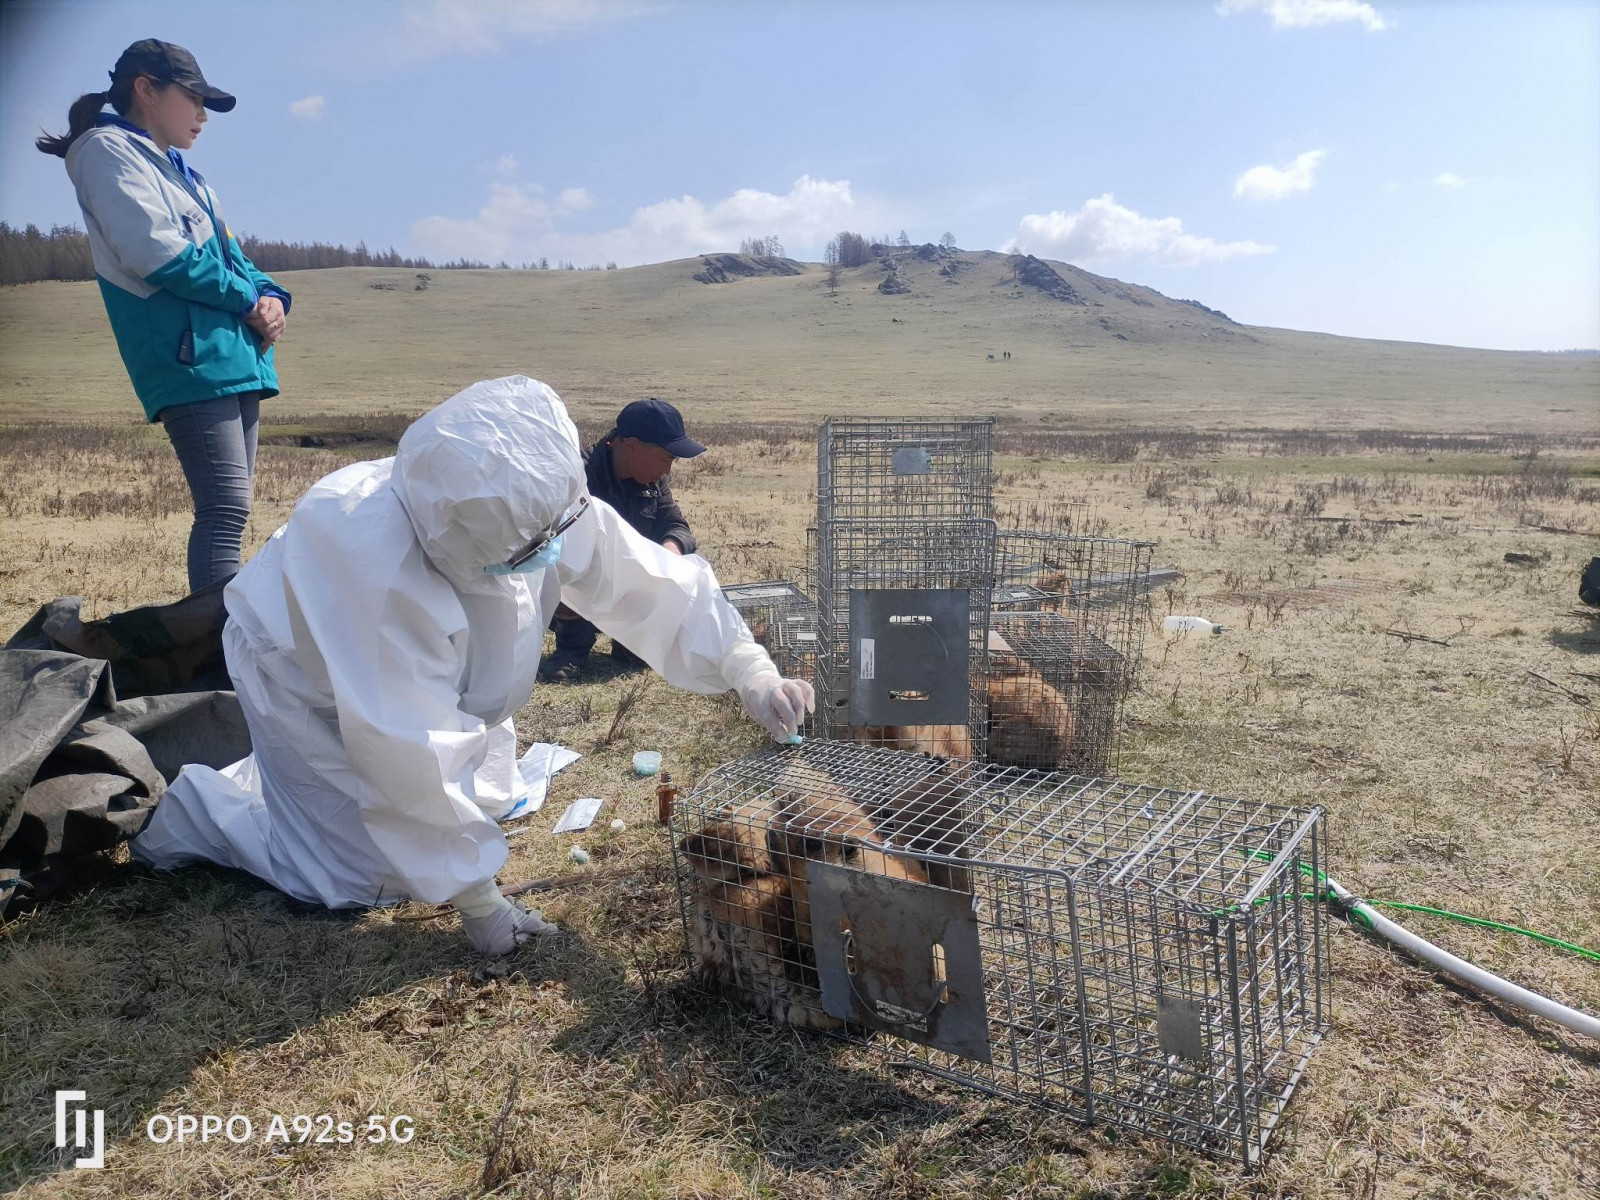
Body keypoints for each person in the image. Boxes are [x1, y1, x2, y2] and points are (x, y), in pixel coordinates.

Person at [131, 377, 814, 955]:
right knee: (353, 877)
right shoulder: (367, 562)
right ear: (468, 541)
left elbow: (652, 583)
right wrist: (483, 908)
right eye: (527, 550)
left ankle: (287, 787)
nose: (550, 555)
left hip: (434, 686)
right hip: (304, 675)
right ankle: (197, 810)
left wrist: (748, 669)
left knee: (484, 801)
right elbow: (406, 743)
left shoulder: (534, 501)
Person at [38, 39, 290, 593]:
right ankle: (213, 657)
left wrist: (272, 297)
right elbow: (160, 255)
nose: (202, 116)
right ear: (146, 90)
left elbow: (236, 259)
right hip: (189, 357)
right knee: (223, 511)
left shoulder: (191, 178)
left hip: (230, 355)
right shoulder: (107, 151)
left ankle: (223, 651)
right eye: (194, 99)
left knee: (234, 512)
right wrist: (249, 303)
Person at [540, 398, 704, 682]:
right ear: (631, 445)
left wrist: (670, 553)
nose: (667, 471)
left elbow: (676, 526)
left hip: (628, 585)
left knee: (640, 656)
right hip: (578, 586)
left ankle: (631, 643)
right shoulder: (577, 477)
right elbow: (549, 547)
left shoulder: (653, 483)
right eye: (666, 458)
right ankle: (571, 651)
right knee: (568, 564)